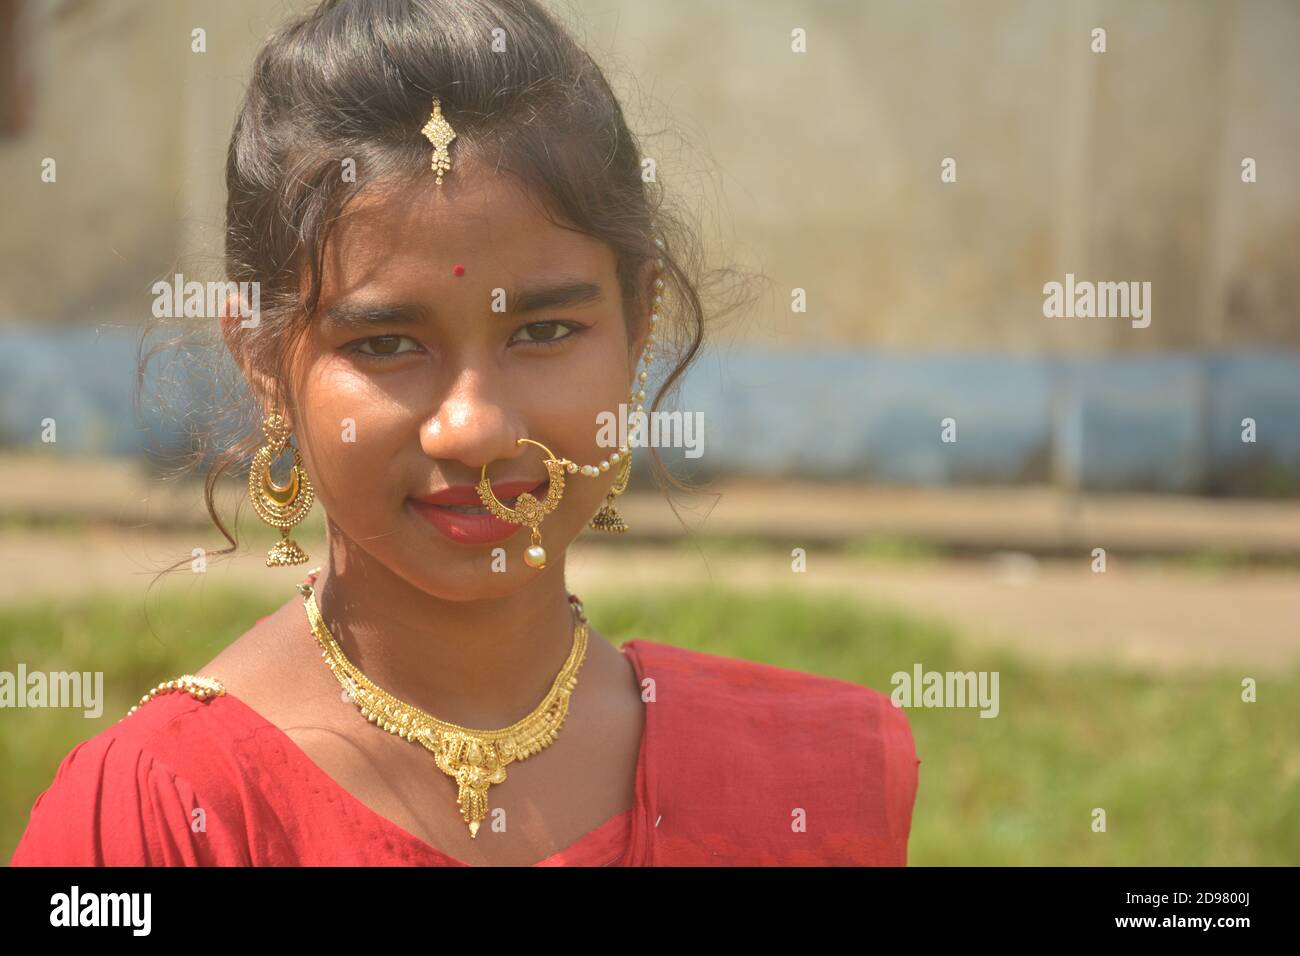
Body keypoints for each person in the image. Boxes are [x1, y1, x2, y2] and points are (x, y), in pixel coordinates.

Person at [9, 0, 918, 867]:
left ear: (639, 326)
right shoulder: (161, 817)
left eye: (545, 331)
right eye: (387, 344)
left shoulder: (811, 780)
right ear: (261, 359)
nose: (475, 429)